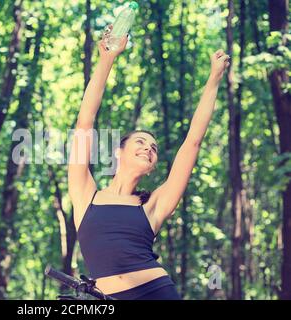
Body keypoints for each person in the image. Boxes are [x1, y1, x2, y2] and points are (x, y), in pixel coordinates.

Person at [67, 25, 230, 300]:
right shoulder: (85, 194)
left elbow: (192, 142)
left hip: (156, 292)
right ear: (119, 152)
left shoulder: (153, 204)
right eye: (140, 142)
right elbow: (85, 122)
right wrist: (107, 59)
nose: (148, 148)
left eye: (153, 147)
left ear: (153, 164)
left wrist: (214, 79)